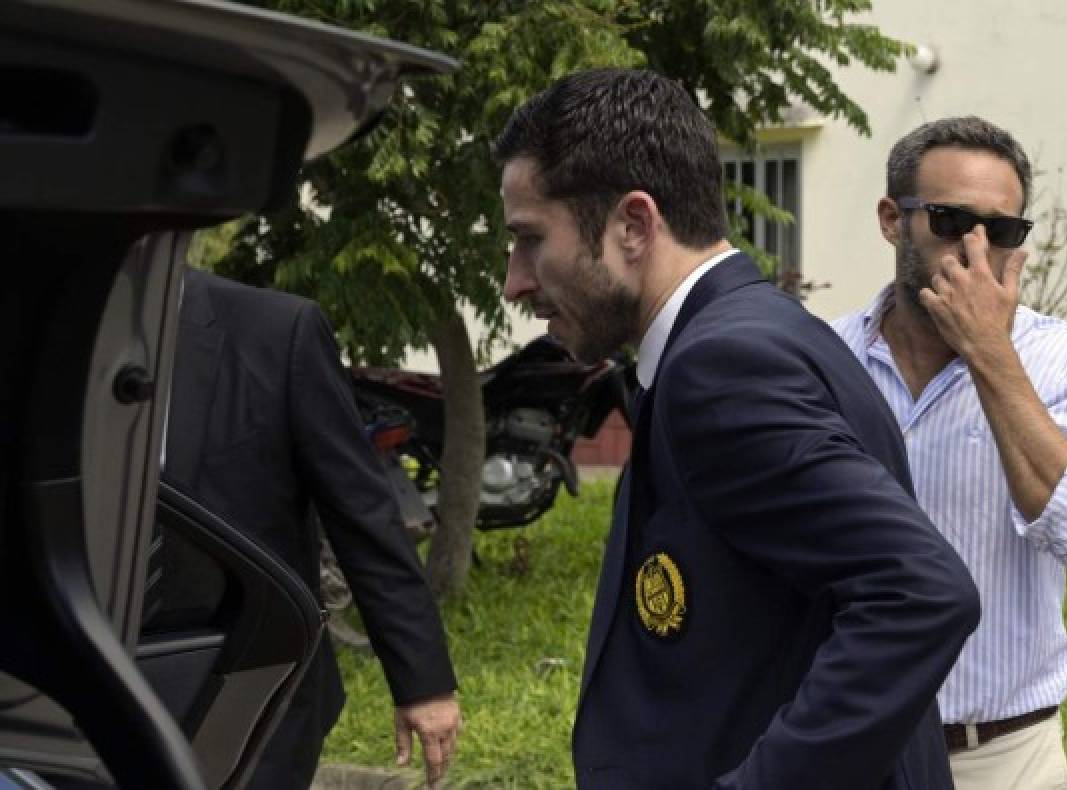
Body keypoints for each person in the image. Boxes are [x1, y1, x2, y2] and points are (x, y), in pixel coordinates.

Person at [494, 67, 980, 789]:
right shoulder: (745, 335)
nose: (515, 280)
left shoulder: (723, 366)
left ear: (633, 225)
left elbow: (920, 592)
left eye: (531, 239)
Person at [830, 116, 1067, 790]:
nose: (976, 248)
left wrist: (989, 350)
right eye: (951, 220)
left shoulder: (1066, 362)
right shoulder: (825, 354)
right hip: (844, 739)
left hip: (998, 754)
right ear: (892, 220)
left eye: (1002, 230)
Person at [163, 268, 461, 789]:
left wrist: (423, 682)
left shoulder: (276, 332)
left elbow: (361, 512)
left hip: (248, 691)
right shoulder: (38, 332)